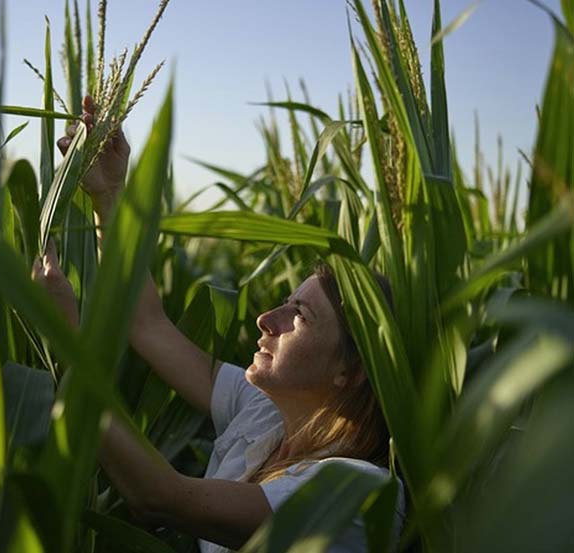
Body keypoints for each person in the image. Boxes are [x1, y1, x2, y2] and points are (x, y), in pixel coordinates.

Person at [32, 96, 406, 552]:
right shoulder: (266, 412)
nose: (267, 320)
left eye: (300, 317)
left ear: (352, 370)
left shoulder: (354, 491)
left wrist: (68, 342)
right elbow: (146, 322)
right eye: (286, 303)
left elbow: (160, 497)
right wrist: (109, 196)